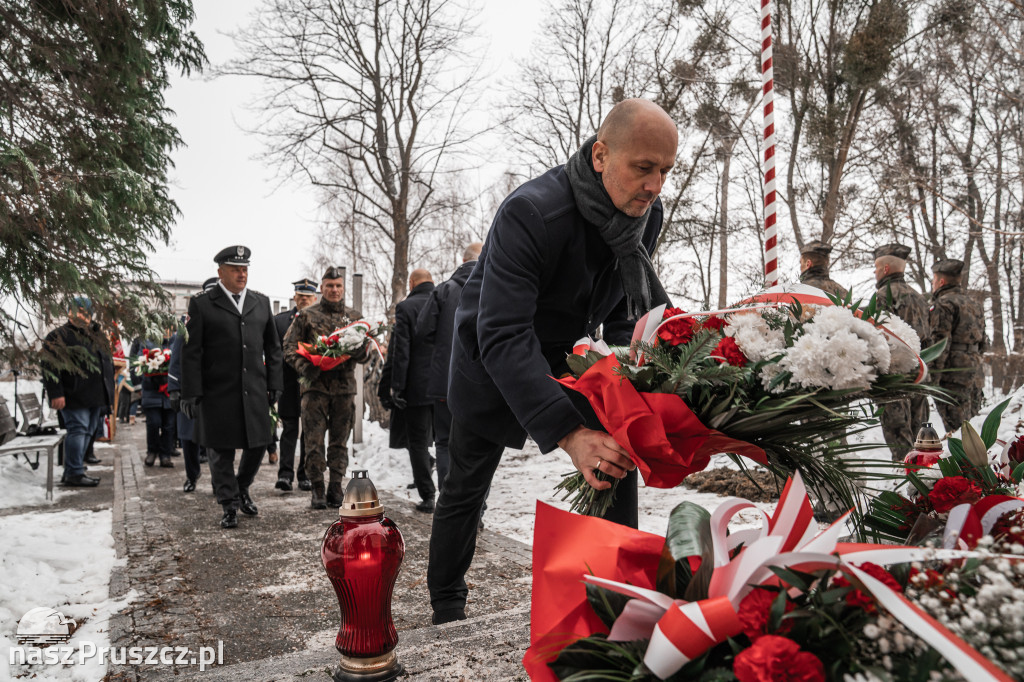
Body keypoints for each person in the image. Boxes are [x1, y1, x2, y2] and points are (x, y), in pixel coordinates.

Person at [427, 98, 677, 625]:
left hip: (566, 355)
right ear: (601, 155)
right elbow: (502, 333)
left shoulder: (643, 215)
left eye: (664, 171)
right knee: (466, 488)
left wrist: (649, 379)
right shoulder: (532, 212)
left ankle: (616, 595)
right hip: (490, 356)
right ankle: (447, 606)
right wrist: (567, 432)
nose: (655, 186)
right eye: (643, 168)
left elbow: (627, 312)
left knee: (617, 446)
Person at [180, 246, 283, 529]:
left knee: (260, 442)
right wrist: (191, 391)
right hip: (217, 391)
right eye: (236, 269)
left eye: (245, 268)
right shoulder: (202, 303)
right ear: (220, 272)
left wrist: (275, 383)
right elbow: (191, 352)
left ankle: (242, 487)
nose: (242, 273)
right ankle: (228, 505)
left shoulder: (261, 303)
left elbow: (274, 349)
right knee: (220, 450)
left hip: (254, 390)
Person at [283, 267, 369, 509]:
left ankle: (336, 486)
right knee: (314, 440)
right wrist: (304, 366)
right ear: (322, 289)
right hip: (315, 389)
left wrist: (362, 352)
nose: (334, 290)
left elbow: (365, 354)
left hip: (344, 389)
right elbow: (289, 347)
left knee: (340, 441)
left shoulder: (354, 317)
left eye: (338, 286)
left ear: (343, 288)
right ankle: (317, 487)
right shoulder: (307, 316)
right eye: (329, 286)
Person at [415, 244, 482, 493]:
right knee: (478, 447)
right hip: (481, 382)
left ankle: (447, 504)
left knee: (444, 443)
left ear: (462, 260)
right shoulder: (492, 287)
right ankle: (478, 510)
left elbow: (422, 331)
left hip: (446, 380)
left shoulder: (444, 290)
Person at [42, 297, 115, 487]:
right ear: (69, 312)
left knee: (89, 431)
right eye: (78, 311)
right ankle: (74, 473)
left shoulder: (96, 335)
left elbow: (105, 363)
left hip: (95, 395)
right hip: (73, 395)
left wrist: (108, 395)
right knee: (78, 430)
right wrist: (56, 392)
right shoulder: (59, 335)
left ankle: (74, 469)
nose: (82, 315)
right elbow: (50, 366)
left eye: (86, 311)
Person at [873, 243, 931, 460]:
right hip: (919, 373)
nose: (875, 272)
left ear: (885, 269)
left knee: (899, 438)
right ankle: (924, 481)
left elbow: (878, 338)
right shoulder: (919, 297)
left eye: (876, 268)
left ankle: (906, 479)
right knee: (920, 435)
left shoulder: (882, 296)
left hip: (895, 377)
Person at [390, 268, 437, 512]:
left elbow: (402, 351)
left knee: (418, 443)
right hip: (444, 386)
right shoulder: (445, 300)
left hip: (417, 388)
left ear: (411, 283)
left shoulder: (406, 308)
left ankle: (428, 496)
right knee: (446, 441)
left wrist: (397, 387)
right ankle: (450, 494)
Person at [927, 258, 987, 434]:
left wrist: (933, 378)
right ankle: (979, 460)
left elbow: (940, 344)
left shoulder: (943, 304)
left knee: (958, 431)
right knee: (974, 427)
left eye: (933, 280)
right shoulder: (975, 304)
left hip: (953, 374)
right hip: (974, 371)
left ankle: (965, 462)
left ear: (941, 281)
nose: (933, 285)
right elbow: (983, 342)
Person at [168, 279, 217, 493]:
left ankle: (220, 482)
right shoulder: (187, 324)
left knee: (218, 439)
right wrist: (174, 389)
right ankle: (191, 474)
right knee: (189, 438)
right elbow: (177, 358)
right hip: (190, 390)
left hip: (217, 390)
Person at [274, 277, 319, 492]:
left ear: (314, 298)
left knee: (309, 431)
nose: (304, 300)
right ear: (295, 297)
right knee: (290, 429)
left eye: (308, 297)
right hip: (289, 383)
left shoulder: (321, 320)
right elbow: (274, 354)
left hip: (313, 383)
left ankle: (305, 474)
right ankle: (285, 475)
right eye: (301, 297)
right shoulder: (281, 321)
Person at [135, 329, 176, 468]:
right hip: (152, 391)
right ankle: (152, 451)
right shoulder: (147, 343)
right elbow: (140, 363)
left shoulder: (175, 343)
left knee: (169, 426)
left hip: (170, 392)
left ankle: (165, 455)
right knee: (154, 423)